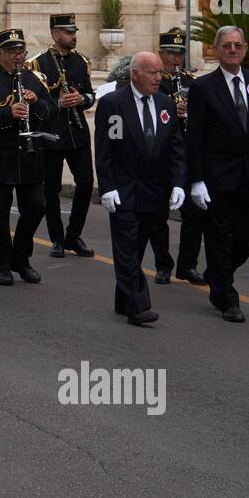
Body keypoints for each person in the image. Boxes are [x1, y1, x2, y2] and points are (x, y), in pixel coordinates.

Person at [186, 25, 249, 323]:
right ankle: (226, 297)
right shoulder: (203, 87)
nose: (233, 50)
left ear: (246, 48)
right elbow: (194, 137)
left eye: (238, 45)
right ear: (216, 50)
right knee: (217, 237)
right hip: (216, 177)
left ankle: (216, 272)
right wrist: (196, 180)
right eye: (227, 46)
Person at [94, 51, 187, 326]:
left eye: (160, 72)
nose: (159, 78)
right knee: (125, 248)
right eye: (153, 72)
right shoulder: (113, 104)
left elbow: (175, 149)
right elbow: (104, 150)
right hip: (123, 189)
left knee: (135, 248)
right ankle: (139, 306)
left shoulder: (165, 105)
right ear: (135, 74)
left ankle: (123, 300)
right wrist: (107, 187)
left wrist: (179, 183)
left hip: (154, 191)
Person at [0, 28, 56, 286]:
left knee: (36, 207)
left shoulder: (34, 78)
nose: (18, 57)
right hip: (0, 153)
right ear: (0, 53)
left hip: (30, 155)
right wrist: (7, 113)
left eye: (21, 51)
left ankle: (21, 257)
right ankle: (1, 264)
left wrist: (36, 103)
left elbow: (51, 110)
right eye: (12, 52)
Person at [33, 14, 96, 258]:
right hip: (52, 134)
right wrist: (56, 103)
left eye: (74, 32)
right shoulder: (38, 64)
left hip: (77, 134)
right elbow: (35, 101)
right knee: (51, 188)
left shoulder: (81, 62)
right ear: (55, 34)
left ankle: (73, 236)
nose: (74, 36)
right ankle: (57, 239)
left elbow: (90, 94)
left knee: (86, 183)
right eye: (69, 32)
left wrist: (82, 99)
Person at [156, 28, 204, 285]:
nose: (176, 59)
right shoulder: (155, 82)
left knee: (194, 213)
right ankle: (163, 265)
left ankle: (188, 264)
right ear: (161, 54)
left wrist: (189, 112)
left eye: (180, 54)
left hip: (185, 154)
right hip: (162, 154)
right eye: (171, 54)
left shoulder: (190, 82)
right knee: (158, 215)